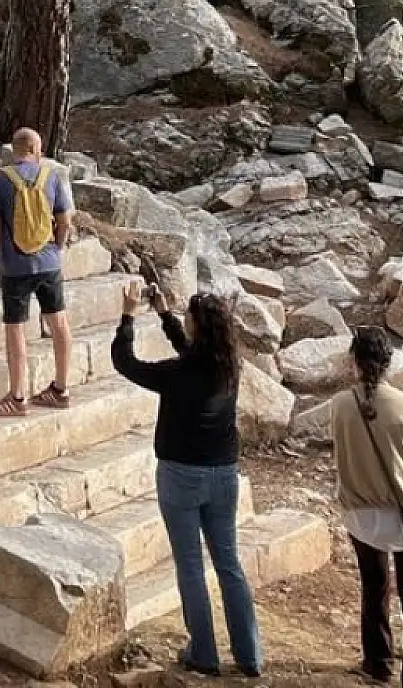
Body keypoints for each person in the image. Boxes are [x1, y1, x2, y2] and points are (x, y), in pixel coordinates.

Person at [112, 281, 262, 678]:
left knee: (191, 566)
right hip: (224, 475)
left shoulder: (177, 373)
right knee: (229, 563)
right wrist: (164, 316)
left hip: (181, 476)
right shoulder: (231, 368)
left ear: (195, 327)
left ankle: (205, 653)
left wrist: (128, 314)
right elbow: (193, 353)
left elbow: (125, 362)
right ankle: (249, 655)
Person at [331, 328, 403, 688]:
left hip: (361, 515)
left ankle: (377, 662)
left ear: (354, 362)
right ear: (389, 362)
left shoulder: (340, 404)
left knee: (374, 585)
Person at [0, 129, 73, 416]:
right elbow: (65, 221)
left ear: (16, 149)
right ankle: (61, 388)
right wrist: (57, 248)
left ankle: (18, 397)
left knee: (16, 328)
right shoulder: (52, 176)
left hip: (15, 265)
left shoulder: (0, 180)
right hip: (49, 263)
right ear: (34, 148)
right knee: (58, 322)